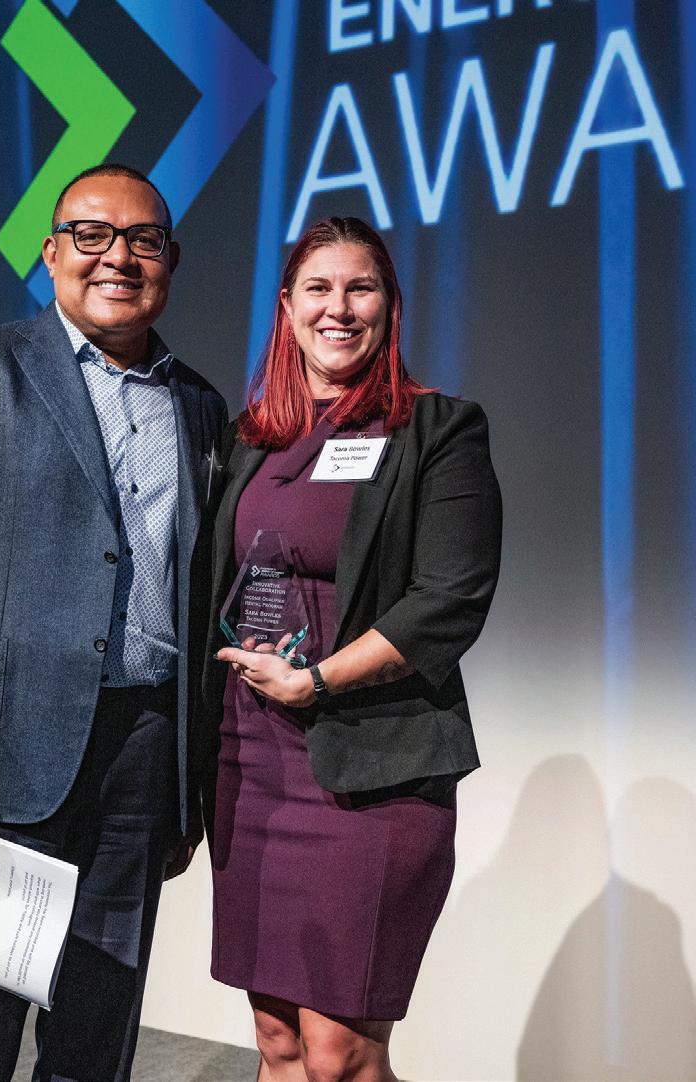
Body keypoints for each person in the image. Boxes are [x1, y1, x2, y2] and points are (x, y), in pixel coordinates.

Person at [0, 163, 227, 1082]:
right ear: (51, 251)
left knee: (95, 1045)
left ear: (171, 260)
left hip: (142, 761)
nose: (118, 258)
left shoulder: (199, 405)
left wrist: (188, 785)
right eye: (92, 235)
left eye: (144, 240)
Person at [200, 216, 502, 1082]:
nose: (339, 308)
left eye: (360, 288)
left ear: (389, 306)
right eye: (319, 289)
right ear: (287, 308)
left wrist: (319, 682)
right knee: (278, 1044)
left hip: (374, 768)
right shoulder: (248, 440)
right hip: (250, 764)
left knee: (340, 1054)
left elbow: (449, 601)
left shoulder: (438, 431)